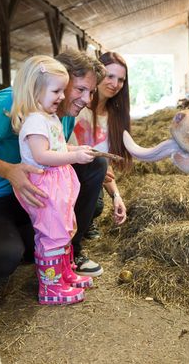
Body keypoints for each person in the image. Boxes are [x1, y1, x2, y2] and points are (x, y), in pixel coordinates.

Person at [0, 48, 107, 282]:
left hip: (34, 194)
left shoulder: (64, 112)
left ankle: (68, 252)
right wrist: (8, 171)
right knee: (2, 257)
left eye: (91, 92)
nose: (87, 100)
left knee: (96, 165)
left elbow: (60, 151)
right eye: (81, 89)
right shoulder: (13, 100)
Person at [9, 55, 94, 304]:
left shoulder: (49, 116)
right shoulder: (35, 120)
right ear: (35, 90)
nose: (61, 96)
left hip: (57, 183)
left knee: (63, 228)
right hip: (45, 186)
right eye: (56, 90)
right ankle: (50, 286)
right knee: (51, 233)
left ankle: (64, 273)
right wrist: (74, 155)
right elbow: (42, 155)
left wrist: (73, 149)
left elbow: (56, 145)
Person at [69, 51, 132, 238]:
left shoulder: (114, 118)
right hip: (63, 171)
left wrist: (116, 196)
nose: (115, 84)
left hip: (89, 175)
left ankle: (85, 221)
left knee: (97, 205)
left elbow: (105, 164)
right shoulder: (76, 106)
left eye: (121, 80)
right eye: (110, 76)